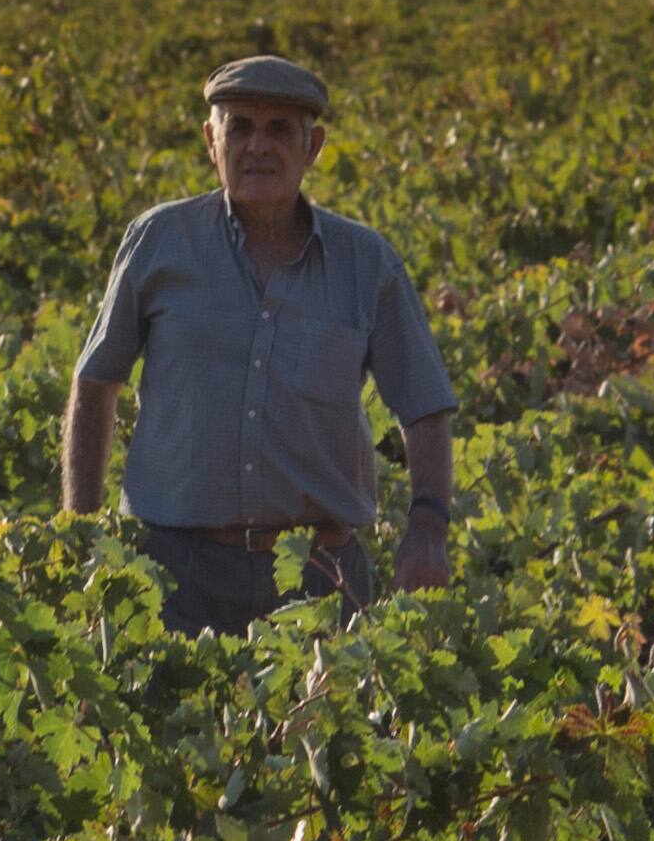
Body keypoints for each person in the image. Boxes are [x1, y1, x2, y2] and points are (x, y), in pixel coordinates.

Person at [60, 53, 455, 636]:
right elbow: (95, 386)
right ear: (210, 142)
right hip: (171, 575)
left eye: (278, 130)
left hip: (321, 577)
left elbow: (423, 406)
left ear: (313, 146)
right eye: (239, 127)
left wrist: (428, 526)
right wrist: (80, 530)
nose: (258, 147)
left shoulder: (365, 263)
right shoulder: (159, 242)